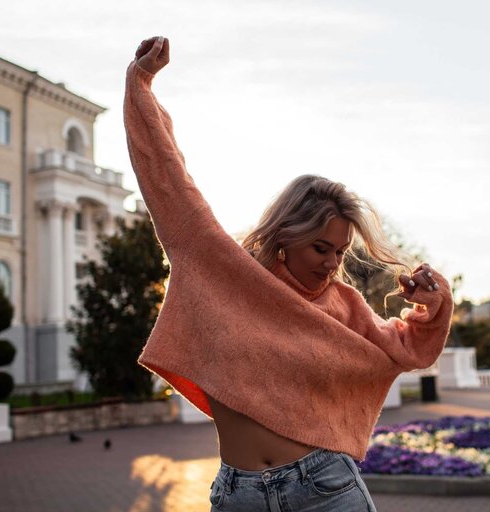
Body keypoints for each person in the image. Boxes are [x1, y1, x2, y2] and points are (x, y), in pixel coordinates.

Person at [124, 36, 453, 512]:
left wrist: (433, 307)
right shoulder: (222, 271)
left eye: (339, 252)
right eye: (320, 247)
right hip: (238, 496)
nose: (331, 262)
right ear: (286, 233)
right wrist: (141, 85)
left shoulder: (343, 304)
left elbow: (405, 349)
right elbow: (168, 181)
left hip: (326, 488)